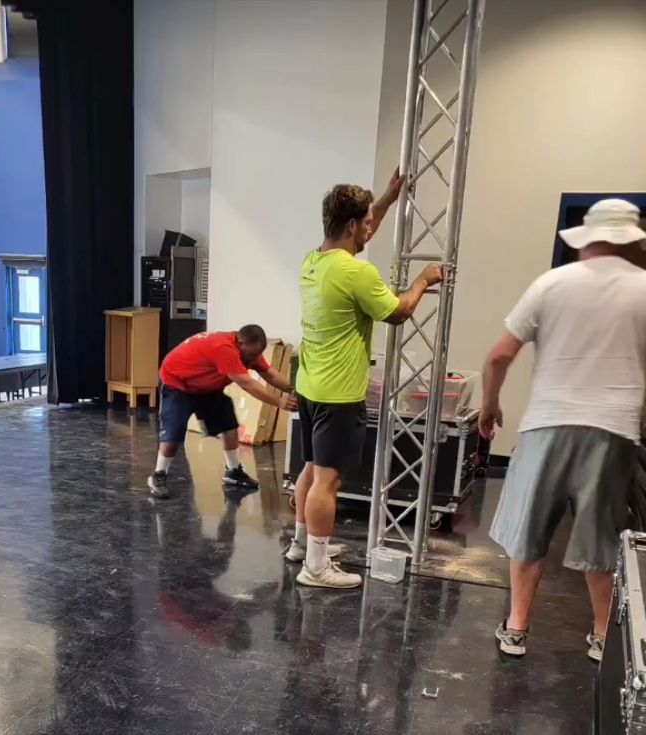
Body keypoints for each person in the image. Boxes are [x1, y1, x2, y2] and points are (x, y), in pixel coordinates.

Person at [480, 198, 646, 661]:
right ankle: (600, 639)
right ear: (631, 242)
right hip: (613, 431)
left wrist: (490, 406)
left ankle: (516, 629)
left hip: (547, 426)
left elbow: (497, 356)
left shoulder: (552, 283)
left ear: (585, 239)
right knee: (601, 541)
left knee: (528, 535)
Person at [291, 171, 443, 589]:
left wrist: (389, 199)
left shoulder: (314, 261)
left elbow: (362, 225)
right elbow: (397, 311)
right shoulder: (358, 273)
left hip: (309, 386)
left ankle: (303, 545)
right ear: (354, 226)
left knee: (310, 469)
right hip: (338, 394)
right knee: (329, 480)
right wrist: (423, 280)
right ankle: (316, 567)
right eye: (367, 222)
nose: (370, 228)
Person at [147, 325, 298, 498]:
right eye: (253, 354)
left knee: (230, 426)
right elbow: (247, 384)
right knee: (173, 435)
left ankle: (233, 472)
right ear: (241, 343)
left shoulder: (249, 351)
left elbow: (270, 374)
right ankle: (159, 474)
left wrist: (297, 391)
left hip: (206, 387)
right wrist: (280, 401)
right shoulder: (224, 349)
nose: (255, 359)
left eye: (258, 354)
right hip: (178, 383)